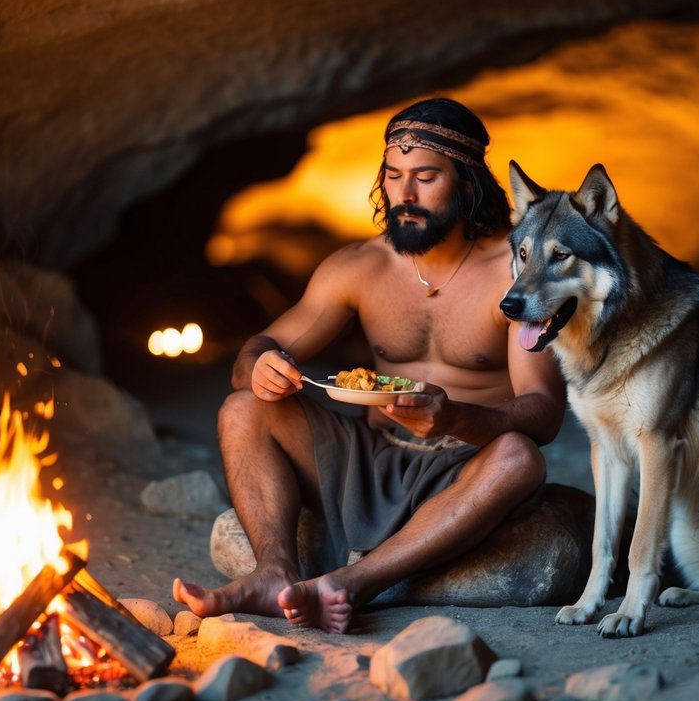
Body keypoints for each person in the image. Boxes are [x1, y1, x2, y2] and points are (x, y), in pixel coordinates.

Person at [173, 98, 567, 633]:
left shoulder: (513, 273)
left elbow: (543, 414)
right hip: (369, 457)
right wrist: (259, 364)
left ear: (469, 185)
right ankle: (274, 573)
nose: (404, 194)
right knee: (243, 408)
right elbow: (257, 350)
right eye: (393, 175)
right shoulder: (360, 266)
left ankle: (352, 584)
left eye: (425, 177)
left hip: (462, 464)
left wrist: (454, 418)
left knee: (519, 459)